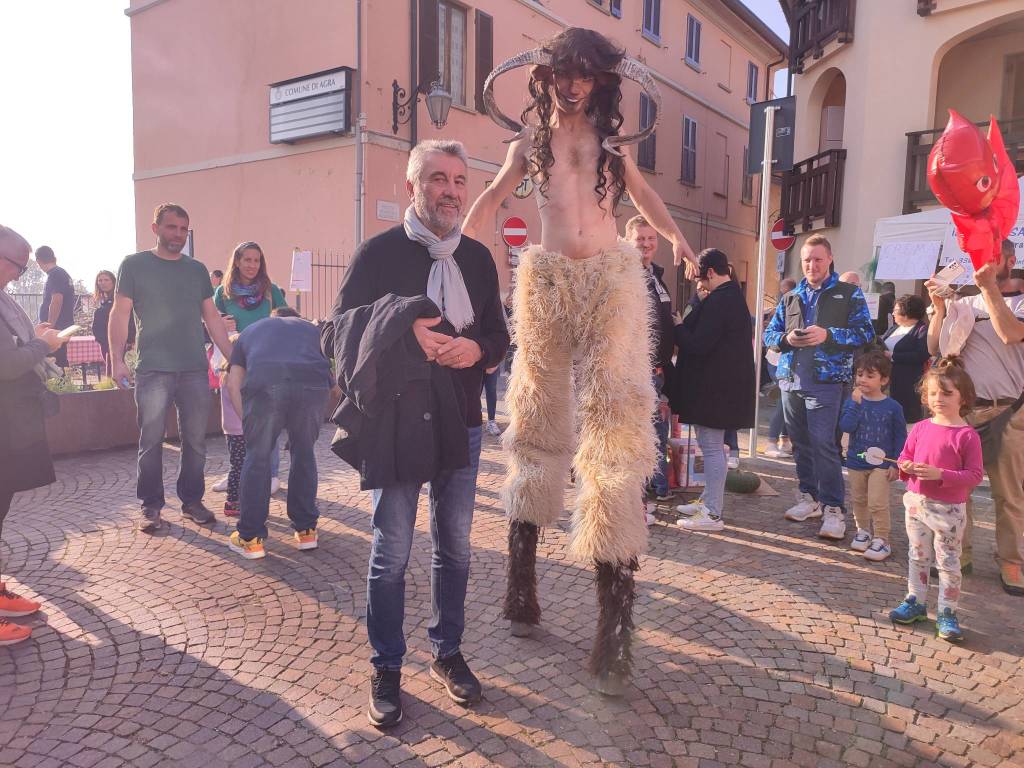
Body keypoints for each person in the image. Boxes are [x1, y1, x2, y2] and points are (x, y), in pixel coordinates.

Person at [466, 27, 698, 695]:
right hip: (544, 284)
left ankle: (615, 620)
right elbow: (491, 197)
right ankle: (521, 582)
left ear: (599, 82)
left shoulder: (612, 149)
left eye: (585, 73)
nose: (572, 83)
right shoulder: (527, 145)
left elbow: (649, 199)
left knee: (614, 430)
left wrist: (679, 240)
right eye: (564, 72)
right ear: (546, 79)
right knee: (536, 422)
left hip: (607, 283)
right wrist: (460, 241)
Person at [329, 140, 508, 728]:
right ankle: (386, 666)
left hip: (461, 420)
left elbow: (499, 337)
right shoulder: (377, 253)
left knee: (455, 547)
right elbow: (335, 334)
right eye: (437, 179)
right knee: (393, 552)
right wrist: (408, 337)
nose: (451, 190)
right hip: (397, 423)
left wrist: (475, 347)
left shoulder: (478, 259)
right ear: (413, 187)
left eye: (459, 180)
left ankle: (447, 653)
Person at [109, 203, 233, 533]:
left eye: (183, 228)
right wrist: (117, 359)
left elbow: (212, 317)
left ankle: (192, 501)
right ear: (156, 228)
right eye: (171, 227)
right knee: (150, 440)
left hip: (193, 368)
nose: (177, 234)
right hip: (153, 369)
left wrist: (234, 357)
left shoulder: (196, 270)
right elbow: (120, 315)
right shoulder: (134, 265)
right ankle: (150, 505)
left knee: (196, 440)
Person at [925, 239, 1024, 594]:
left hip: (1009, 410)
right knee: (955, 490)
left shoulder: (1020, 302)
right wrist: (938, 309)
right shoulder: (963, 302)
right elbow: (935, 348)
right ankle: (958, 554)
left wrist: (989, 289)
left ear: (1010, 261)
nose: (983, 263)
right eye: (980, 257)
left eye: (991, 257)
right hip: (964, 413)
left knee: (1009, 495)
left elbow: (1011, 333)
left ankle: (1012, 563)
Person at [763, 234, 875, 541]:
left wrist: (829, 334)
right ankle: (809, 497)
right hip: (791, 380)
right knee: (800, 443)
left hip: (827, 382)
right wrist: (786, 340)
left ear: (829, 259)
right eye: (807, 260)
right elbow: (770, 334)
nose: (812, 265)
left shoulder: (847, 293)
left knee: (824, 444)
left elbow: (866, 333)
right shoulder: (791, 296)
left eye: (818, 259)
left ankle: (834, 508)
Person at [0, 225, 69, 645]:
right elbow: (5, 365)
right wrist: (42, 346)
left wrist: (35, 339)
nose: (19, 275)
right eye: (16, 266)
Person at [889, 358, 983, 642]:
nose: (938, 399)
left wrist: (940, 474)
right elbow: (905, 455)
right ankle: (915, 601)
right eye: (932, 393)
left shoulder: (967, 435)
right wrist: (905, 467)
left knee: (948, 562)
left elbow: (974, 475)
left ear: (963, 397)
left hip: (949, 510)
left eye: (946, 393)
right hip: (916, 503)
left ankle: (947, 612)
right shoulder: (919, 427)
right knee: (917, 555)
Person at [225, 307, 331, 560]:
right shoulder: (311, 330)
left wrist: (248, 423)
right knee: (304, 452)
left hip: (266, 383)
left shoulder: (251, 331)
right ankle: (306, 530)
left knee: (257, 456)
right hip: (313, 386)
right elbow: (333, 384)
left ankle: (250, 539)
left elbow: (233, 383)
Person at [669, 249, 755, 532]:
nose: (698, 283)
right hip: (719, 388)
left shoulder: (723, 301)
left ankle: (713, 513)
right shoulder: (726, 296)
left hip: (716, 390)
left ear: (708, 272)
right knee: (713, 447)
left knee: (713, 449)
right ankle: (708, 500)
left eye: (698, 276)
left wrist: (678, 327)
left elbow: (698, 344)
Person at [213, 242, 289, 494]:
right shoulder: (222, 294)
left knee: (268, 417)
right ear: (236, 261)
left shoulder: (271, 291)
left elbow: (286, 319)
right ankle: (237, 470)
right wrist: (221, 324)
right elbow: (212, 326)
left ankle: (272, 473)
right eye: (247, 260)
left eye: (257, 260)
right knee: (234, 422)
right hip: (234, 361)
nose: (252, 265)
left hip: (266, 361)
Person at [838, 350, 907, 562]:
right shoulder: (853, 402)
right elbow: (846, 426)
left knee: (877, 501)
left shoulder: (893, 407)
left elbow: (900, 435)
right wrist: (855, 405)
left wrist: (896, 463)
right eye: (860, 375)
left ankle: (882, 538)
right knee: (859, 498)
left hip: (882, 463)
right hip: (856, 459)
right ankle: (863, 531)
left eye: (870, 376)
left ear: (884, 380)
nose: (863, 380)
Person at [625, 214, 674, 503]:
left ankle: (656, 489)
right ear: (629, 241)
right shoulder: (628, 276)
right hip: (637, 371)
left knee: (656, 433)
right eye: (640, 239)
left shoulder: (656, 275)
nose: (646, 244)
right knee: (641, 436)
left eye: (651, 238)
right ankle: (639, 499)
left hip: (657, 370)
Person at [882, 294, 930, 423]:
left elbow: (922, 354)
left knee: (904, 417)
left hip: (907, 381)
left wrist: (893, 356)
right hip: (886, 378)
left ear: (907, 312)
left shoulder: (922, 330)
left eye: (896, 311)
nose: (893, 313)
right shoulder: (896, 327)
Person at [765, 278, 797, 459]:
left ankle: (784, 439)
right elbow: (769, 334)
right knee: (784, 401)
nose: (781, 294)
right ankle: (771, 440)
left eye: (783, 291)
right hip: (777, 360)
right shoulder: (782, 308)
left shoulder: (793, 302)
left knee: (788, 401)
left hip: (788, 361)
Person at [212, 336, 243, 517]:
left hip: (232, 427)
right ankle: (233, 501)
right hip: (239, 427)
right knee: (239, 465)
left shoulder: (225, 371)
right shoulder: (234, 373)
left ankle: (237, 499)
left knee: (238, 464)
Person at [34, 246, 75, 369]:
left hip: (57, 327)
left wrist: (49, 327)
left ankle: (60, 387)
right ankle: (62, 385)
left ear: (38, 261)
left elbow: (56, 301)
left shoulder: (56, 274)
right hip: (62, 325)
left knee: (55, 362)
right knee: (59, 360)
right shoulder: (60, 273)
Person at [91, 270, 135, 377]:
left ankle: (123, 391)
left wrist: (129, 340)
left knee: (119, 372)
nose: (103, 283)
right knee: (111, 373)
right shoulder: (103, 301)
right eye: (100, 280)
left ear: (114, 282)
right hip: (105, 343)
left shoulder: (119, 300)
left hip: (120, 344)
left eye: (106, 280)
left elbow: (130, 320)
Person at [482, 365, 502, 436]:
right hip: (476, 365)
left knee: (491, 391)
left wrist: (495, 363)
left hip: (492, 363)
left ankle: (491, 421)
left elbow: (501, 353)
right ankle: (475, 419)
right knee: (475, 392)